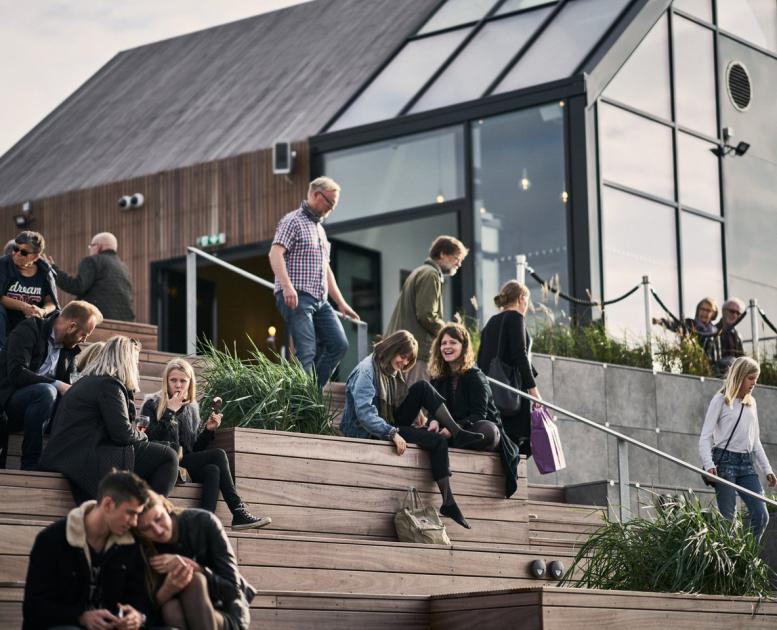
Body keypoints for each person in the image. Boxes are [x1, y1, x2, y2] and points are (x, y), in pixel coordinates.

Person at [339, 330, 484, 529]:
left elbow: (400, 398)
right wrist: (392, 433)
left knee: (423, 389)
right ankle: (449, 501)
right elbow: (365, 415)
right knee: (438, 441)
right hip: (371, 431)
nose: (405, 363)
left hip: (389, 421)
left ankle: (456, 437)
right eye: (403, 357)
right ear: (392, 349)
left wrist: (418, 415)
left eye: (408, 360)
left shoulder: (389, 368)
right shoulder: (366, 371)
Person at [40, 336, 179, 502]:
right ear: (125, 360)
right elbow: (123, 435)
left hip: (72, 454)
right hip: (84, 458)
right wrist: (143, 436)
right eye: (135, 361)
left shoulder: (88, 382)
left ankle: (134, 511)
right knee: (168, 455)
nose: (136, 366)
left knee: (159, 451)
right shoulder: (109, 386)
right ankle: (150, 517)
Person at [142, 358, 271, 530]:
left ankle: (203, 524)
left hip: (184, 461)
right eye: (173, 380)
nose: (178, 385)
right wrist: (169, 413)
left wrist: (208, 431)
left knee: (213, 469)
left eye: (183, 381)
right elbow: (150, 440)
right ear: (166, 382)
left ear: (190, 383)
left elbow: (193, 449)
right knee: (218, 455)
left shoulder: (191, 408)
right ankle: (238, 511)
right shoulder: (152, 404)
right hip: (163, 462)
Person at [23, 470, 155, 630]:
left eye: (137, 515)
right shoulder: (52, 539)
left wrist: (138, 616)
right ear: (108, 504)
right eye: (130, 513)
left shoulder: (130, 543)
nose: (134, 522)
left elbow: (140, 598)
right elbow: (34, 607)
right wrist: (80, 617)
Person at [269, 176, 359, 387]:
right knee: (307, 350)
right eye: (330, 203)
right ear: (316, 195)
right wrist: (287, 286)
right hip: (298, 295)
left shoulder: (320, 230)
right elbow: (275, 253)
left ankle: (311, 392)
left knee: (339, 344)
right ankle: (302, 402)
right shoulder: (293, 220)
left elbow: (325, 269)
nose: (331, 209)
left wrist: (341, 302)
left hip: (320, 300)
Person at [0, 300, 102, 470]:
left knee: (77, 403)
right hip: (10, 403)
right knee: (46, 391)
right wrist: (56, 384)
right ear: (71, 326)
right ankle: (30, 463)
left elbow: (69, 387)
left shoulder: (69, 349)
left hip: (41, 411)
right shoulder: (29, 329)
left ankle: (63, 463)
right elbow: (16, 373)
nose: (84, 340)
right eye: (84, 334)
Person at [136, 490, 255, 630]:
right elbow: (142, 610)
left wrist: (195, 567)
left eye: (158, 519)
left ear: (166, 507)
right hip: (173, 615)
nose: (158, 530)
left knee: (195, 579)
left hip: (225, 609)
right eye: (147, 528)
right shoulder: (143, 548)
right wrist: (166, 591)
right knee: (171, 608)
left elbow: (232, 591)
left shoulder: (203, 522)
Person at [429, 322, 521, 498]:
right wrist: (433, 420)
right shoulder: (438, 377)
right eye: (443, 343)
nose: (447, 347)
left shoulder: (475, 376)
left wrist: (453, 428)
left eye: (453, 342)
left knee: (487, 431)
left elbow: (479, 415)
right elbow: (434, 408)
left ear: (463, 347)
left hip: (474, 428)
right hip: (449, 432)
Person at [699, 356, 776, 541]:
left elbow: (755, 440)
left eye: (755, 380)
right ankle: (732, 563)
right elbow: (705, 436)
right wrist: (709, 465)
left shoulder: (751, 403)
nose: (753, 384)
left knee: (761, 515)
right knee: (728, 522)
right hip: (723, 464)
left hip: (746, 463)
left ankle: (744, 557)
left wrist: (767, 469)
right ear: (740, 376)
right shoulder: (720, 399)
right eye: (751, 379)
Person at [386, 236, 468, 385]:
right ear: (442, 254)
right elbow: (426, 315)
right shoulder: (431, 274)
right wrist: (449, 331)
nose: (459, 263)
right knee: (417, 402)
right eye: (457, 258)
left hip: (404, 348)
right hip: (416, 352)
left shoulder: (420, 271)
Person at [477, 281, 540, 456]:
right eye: (526, 301)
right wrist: (533, 391)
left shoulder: (490, 323)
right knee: (517, 445)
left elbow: (482, 358)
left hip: (493, 394)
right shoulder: (516, 317)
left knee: (501, 444)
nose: (526, 306)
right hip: (512, 393)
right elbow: (519, 355)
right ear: (521, 298)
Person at [46, 231, 135, 321]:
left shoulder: (93, 261)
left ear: (99, 246)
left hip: (97, 317)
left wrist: (53, 270)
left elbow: (77, 287)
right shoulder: (123, 267)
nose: (90, 249)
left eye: (91, 246)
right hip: (124, 320)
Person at [0, 231, 59, 350]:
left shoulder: (45, 272)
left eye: (24, 252)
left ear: (36, 256)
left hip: (31, 323)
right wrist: (24, 307)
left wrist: (42, 311)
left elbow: (52, 302)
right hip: (5, 320)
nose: (17, 254)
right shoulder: (3, 265)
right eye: (15, 249)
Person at [714, 298, 746, 375]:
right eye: (732, 311)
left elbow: (741, 357)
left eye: (738, 313)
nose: (734, 315)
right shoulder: (713, 331)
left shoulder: (738, 336)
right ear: (723, 311)